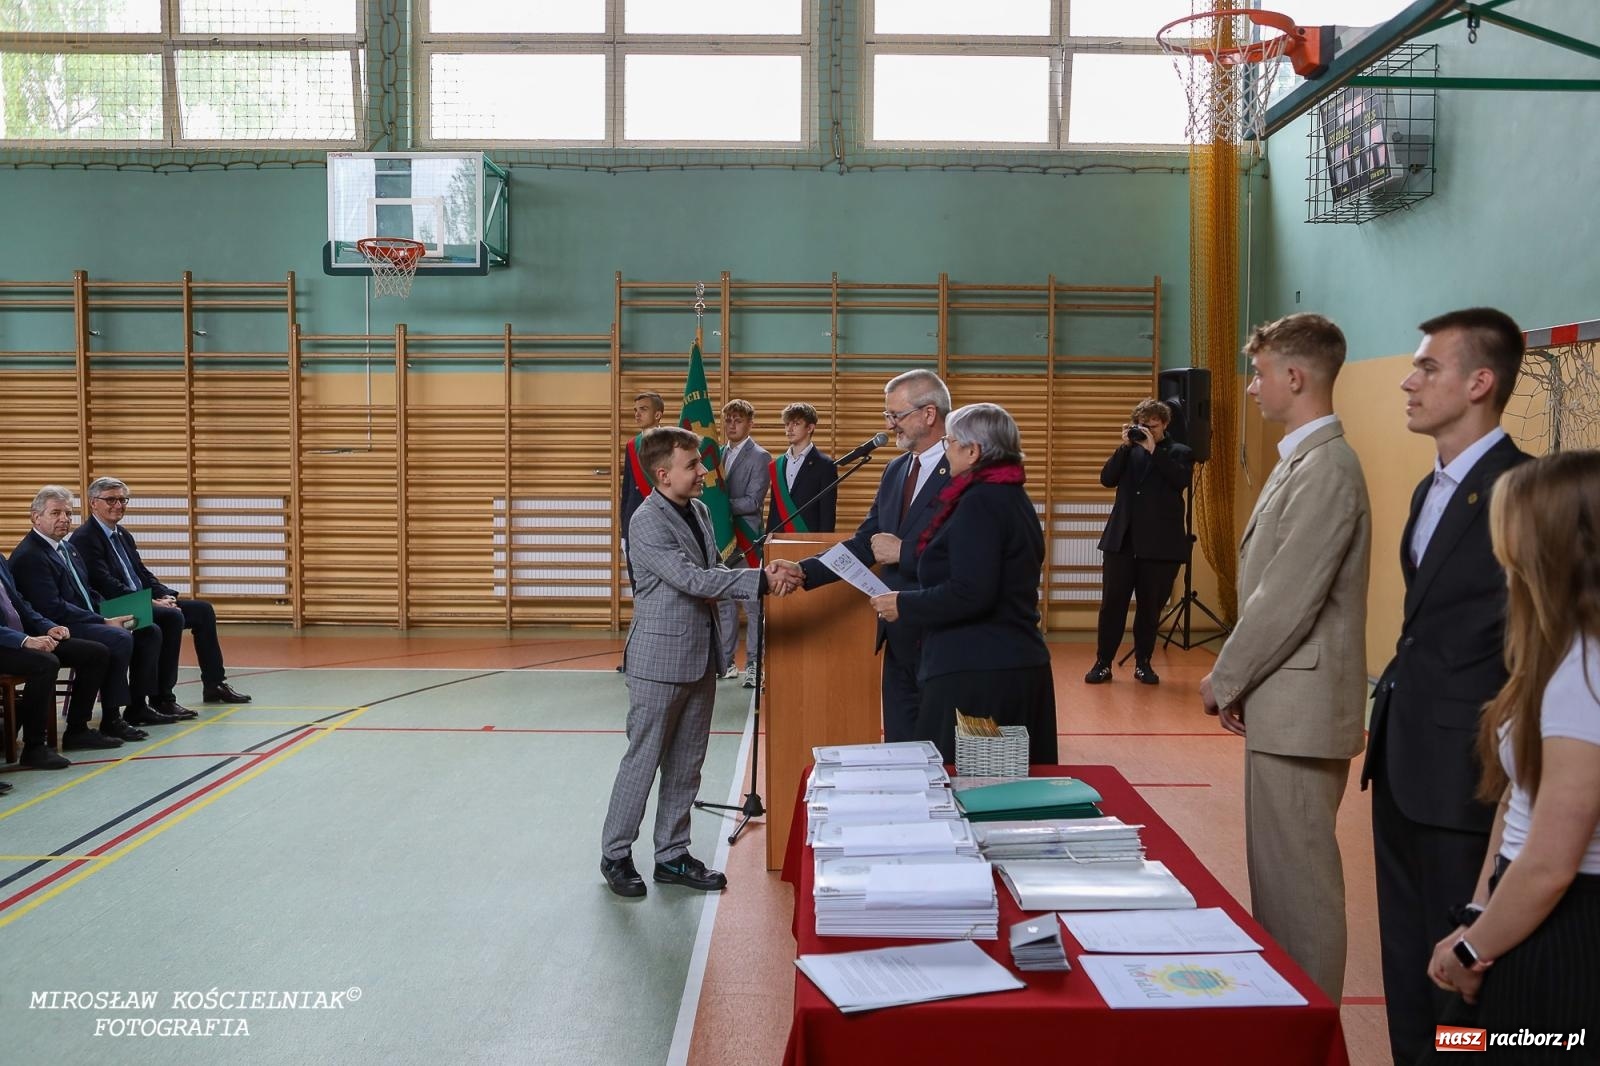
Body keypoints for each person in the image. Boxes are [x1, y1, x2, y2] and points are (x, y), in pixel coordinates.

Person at [1361, 308, 1530, 1064]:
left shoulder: (1520, 491)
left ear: (1480, 382)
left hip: (1465, 772)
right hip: (1403, 763)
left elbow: (1531, 648)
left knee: (1455, 966)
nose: (1409, 379)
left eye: (1429, 366)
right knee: (1404, 957)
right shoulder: (1435, 488)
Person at [1199, 313, 1372, 1002]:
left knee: (1300, 889)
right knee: (1278, 882)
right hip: (1285, 704)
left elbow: (1287, 597)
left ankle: (1313, 1030)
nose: (1252, 388)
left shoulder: (1327, 465)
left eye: (1262, 373)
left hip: (1301, 709)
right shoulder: (1302, 458)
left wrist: (1226, 676)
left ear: (1295, 377)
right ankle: (1289, 1018)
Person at [1426, 451, 1600, 1049]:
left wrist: (1473, 952)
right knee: (1459, 1044)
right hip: (1511, 911)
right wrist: (1477, 916)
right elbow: (1515, 803)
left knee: (1506, 1046)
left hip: (1561, 929)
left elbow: (1552, 864)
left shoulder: (1585, 674)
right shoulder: (1556, 657)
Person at [599, 426, 790, 898]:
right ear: (664, 474)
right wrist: (760, 582)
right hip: (657, 662)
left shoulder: (701, 510)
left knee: (687, 765)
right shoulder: (645, 522)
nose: (704, 470)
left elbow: (715, 571)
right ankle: (616, 854)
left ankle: (672, 855)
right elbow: (691, 579)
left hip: (699, 658)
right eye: (693, 465)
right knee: (642, 763)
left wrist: (758, 575)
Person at [770, 370, 953, 743]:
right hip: (897, 635)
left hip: (944, 634)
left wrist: (906, 553)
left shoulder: (964, 469)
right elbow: (864, 543)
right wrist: (804, 571)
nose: (889, 425)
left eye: (895, 416)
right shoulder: (896, 469)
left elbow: (969, 555)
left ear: (929, 414)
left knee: (945, 754)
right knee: (902, 747)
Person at [869, 403, 1057, 765]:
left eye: (951, 442)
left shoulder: (981, 502)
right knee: (1001, 788)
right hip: (1005, 663)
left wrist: (904, 604)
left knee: (973, 787)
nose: (946, 450)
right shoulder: (1008, 496)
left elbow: (972, 592)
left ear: (973, 452)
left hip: (981, 672)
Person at [72, 476, 250, 709]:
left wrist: (166, 595)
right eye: (111, 500)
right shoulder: (85, 537)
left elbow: (142, 573)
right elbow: (105, 584)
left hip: (140, 601)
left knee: (202, 611)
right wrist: (150, 603)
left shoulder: (122, 534)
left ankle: (214, 684)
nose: (118, 505)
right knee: (171, 617)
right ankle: (163, 697)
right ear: (94, 503)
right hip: (114, 608)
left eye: (123, 500)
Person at [10, 486, 166, 740]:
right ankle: (111, 717)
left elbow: (87, 590)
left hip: (85, 616)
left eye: (69, 514)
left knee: (145, 626)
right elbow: (53, 608)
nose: (64, 519)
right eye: (56, 513)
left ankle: (139, 705)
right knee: (120, 637)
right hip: (60, 624)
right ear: (36, 517)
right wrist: (104, 621)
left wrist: (110, 611)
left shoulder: (66, 548)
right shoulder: (31, 555)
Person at [1088, 398, 1193, 686]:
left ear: (1165, 425)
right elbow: (1107, 479)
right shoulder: (1128, 451)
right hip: (1122, 542)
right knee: (1112, 606)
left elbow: (1179, 480)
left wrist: (1154, 450)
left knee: (1149, 609)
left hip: (1159, 546)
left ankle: (1143, 663)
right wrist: (1125, 447)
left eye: (1153, 426)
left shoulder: (1180, 452)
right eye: (1142, 426)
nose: (1147, 431)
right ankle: (1103, 662)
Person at [0, 553, 117, 766]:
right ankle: (34, 747)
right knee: (45, 663)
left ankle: (77, 729)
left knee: (95, 653)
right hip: (5, 644)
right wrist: (24, 640)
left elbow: (20, 603)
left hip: (21, 636)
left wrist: (47, 626)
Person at [715, 399, 771, 688]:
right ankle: (725, 663)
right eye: (728, 420)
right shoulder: (717, 455)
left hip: (747, 538)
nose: (732, 425)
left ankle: (753, 665)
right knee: (724, 603)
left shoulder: (761, 456)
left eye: (738, 420)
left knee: (752, 606)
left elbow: (752, 502)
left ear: (750, 423)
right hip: (722, 537)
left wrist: (719, 506)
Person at [766, 402, 837, 537]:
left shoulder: (825, 465)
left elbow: (827, 514)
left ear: (810, 428)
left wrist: (822, 548)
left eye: (796, 424)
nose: (789, 429)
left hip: (808, 539)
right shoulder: (777, 464)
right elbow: (774, 510)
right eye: (787, 424)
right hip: (779, 540)